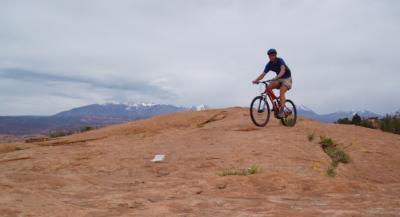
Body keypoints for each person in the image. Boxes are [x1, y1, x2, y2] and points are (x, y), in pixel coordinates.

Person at [252, 48, 293, 118]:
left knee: (282, 91)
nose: (271, 57)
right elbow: (263, 74)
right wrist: (256, 80)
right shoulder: (269, 64)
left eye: (273, 55)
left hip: (287, 79)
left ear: (275, 55)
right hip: (279, 79)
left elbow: (283, 70)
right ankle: (274, 105)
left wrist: (276, 77)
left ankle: (282, 110)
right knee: (268, 87)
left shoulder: (280, 60)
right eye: (270, 55)